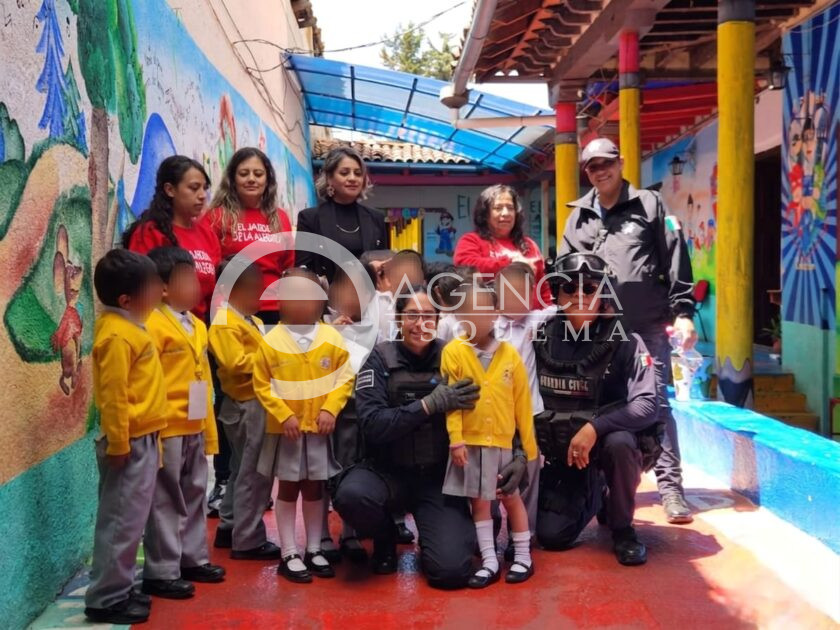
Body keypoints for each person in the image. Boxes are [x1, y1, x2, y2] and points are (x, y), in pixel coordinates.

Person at [561, 137, 696, 524]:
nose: (600, 171)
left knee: (657, 405)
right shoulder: (578, 217)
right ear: (586, 172)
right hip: (596, 331)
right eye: (592, 166)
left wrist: (683, 312)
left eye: (606, 163)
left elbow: (675, 258)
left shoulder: (650, 205)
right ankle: (605, 491)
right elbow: (566, 273)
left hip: (646, 326)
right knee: (598, 404)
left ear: (620, 163)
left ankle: (671, 490)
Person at [332, 287, 481, 588]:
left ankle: (434, 535)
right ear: (399, 319)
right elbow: (372, 424)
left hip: (437, 478)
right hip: (386, 471)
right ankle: (385, 535)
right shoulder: (377, 359)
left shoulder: (456, 357)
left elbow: (489, 411)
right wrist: (426, 405)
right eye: (412, 315)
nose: (420, 323)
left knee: (451, 572)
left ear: (438, 320)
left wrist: (516, 453)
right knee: (351, 496)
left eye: (428, 316)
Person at [534, 252, 660, 565]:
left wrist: (595, 427)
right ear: (557, 294)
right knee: (550, 537)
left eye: (589, 288)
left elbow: (648, 405)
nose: (579, 295)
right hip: (562, 451)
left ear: (603, 293)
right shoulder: (540, 336)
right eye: (569, 288)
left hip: (605, 446)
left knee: (620, 443)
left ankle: (623, 529)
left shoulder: (627, 341)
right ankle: (598, 493)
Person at [253, 267, 354, 583]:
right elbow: (262, 384)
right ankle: (289, 552)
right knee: (287, 487)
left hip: (318, 430)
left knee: (314, 487)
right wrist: (283, 414)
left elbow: (345, 377)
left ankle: (313, 548)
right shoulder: (271, 340)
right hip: (288, 431)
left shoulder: (331, 338)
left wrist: (331, 409)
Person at [84, 250, 167, 625]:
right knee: (119, 522)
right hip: (128, 442)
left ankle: (118, 587)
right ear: (126, 299)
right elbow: (114, 397)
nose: (160, 293)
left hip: (141, 438)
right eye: (153, 288)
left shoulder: (131, 327)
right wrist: (119, 444)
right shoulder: (117, 336)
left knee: (130, 521)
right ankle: (106, 599)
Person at [441, 279, 539, 587]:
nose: (477, 316)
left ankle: (523, 556)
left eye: (484, 309)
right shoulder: (453, 353)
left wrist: (530, 451)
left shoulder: (510, 355)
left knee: (511, 498)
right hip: (469, 445)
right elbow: (451, 403)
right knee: (480, 503)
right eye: (468, 310)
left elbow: (523, 405)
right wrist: (456, 440)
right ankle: (489, 560)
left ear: (496, 312)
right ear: (458, 315)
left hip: (502, 445)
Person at [141, 247, 225, 600]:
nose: (196, 286)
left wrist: (209, 429)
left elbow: (204, 380)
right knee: (165, 497)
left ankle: (193, 558)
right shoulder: (152, 324)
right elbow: (149, 380)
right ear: (162, 288)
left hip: (195, 423)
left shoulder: (199, 326)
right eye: (186, 280)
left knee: (195, 492)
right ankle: (162, 570)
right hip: (168, 426)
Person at [208, 258, 280, 560]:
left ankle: (229, 526)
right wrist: (274, 361)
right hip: (245, 405)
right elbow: (234, 363)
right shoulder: (224, 322)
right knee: (255, 473)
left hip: (255, 403)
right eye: (254, 290)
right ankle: (248, 539)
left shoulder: (253, 321)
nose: (260, 296)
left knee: (241, 470)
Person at [493, 262, 557, 553]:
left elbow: (562, 309)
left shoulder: (536, 320)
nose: (517, 299)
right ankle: (489, 527)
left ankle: (523, 533)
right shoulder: (487, 325)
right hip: (494, 416)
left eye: (523, 292)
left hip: (529, 414)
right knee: (491, 472)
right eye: (509, 292)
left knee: (529, 476)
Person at [202, 147, 294, 325]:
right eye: (244, 174)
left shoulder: (280, 217)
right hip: (231, 309)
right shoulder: (216, 216)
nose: (251, 179)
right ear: (232, 179)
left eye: (258, 174)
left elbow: (288, 266)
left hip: (274, 308)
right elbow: (211, 267)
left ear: (268, 180)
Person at [124, 155, 221, 320]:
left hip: (199, 327)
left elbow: (216, 292)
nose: (202, 195)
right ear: (170, 190)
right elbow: (139, 287)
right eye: (194, 188)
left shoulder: (208, 235)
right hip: (161, 326)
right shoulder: (150, 233)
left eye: (204, 188)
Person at [295, 146, 388, 283]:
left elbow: (384, 266)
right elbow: (303, 270)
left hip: (369, 293)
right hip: (327, 294)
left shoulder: (376, 218)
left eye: (358, 173)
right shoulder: (309, 218)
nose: (352, 178)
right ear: (330, 179)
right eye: (344, 173)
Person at [453, 184, 552, 308]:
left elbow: (543, 286)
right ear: (485, 214)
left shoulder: (529, 244)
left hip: (533, 316)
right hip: (489, 315)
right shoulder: (471, 240)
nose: (506, 213)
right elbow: (466, 268)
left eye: (510, 208)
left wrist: (548, 311)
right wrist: (512, 264)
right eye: (498, 208)